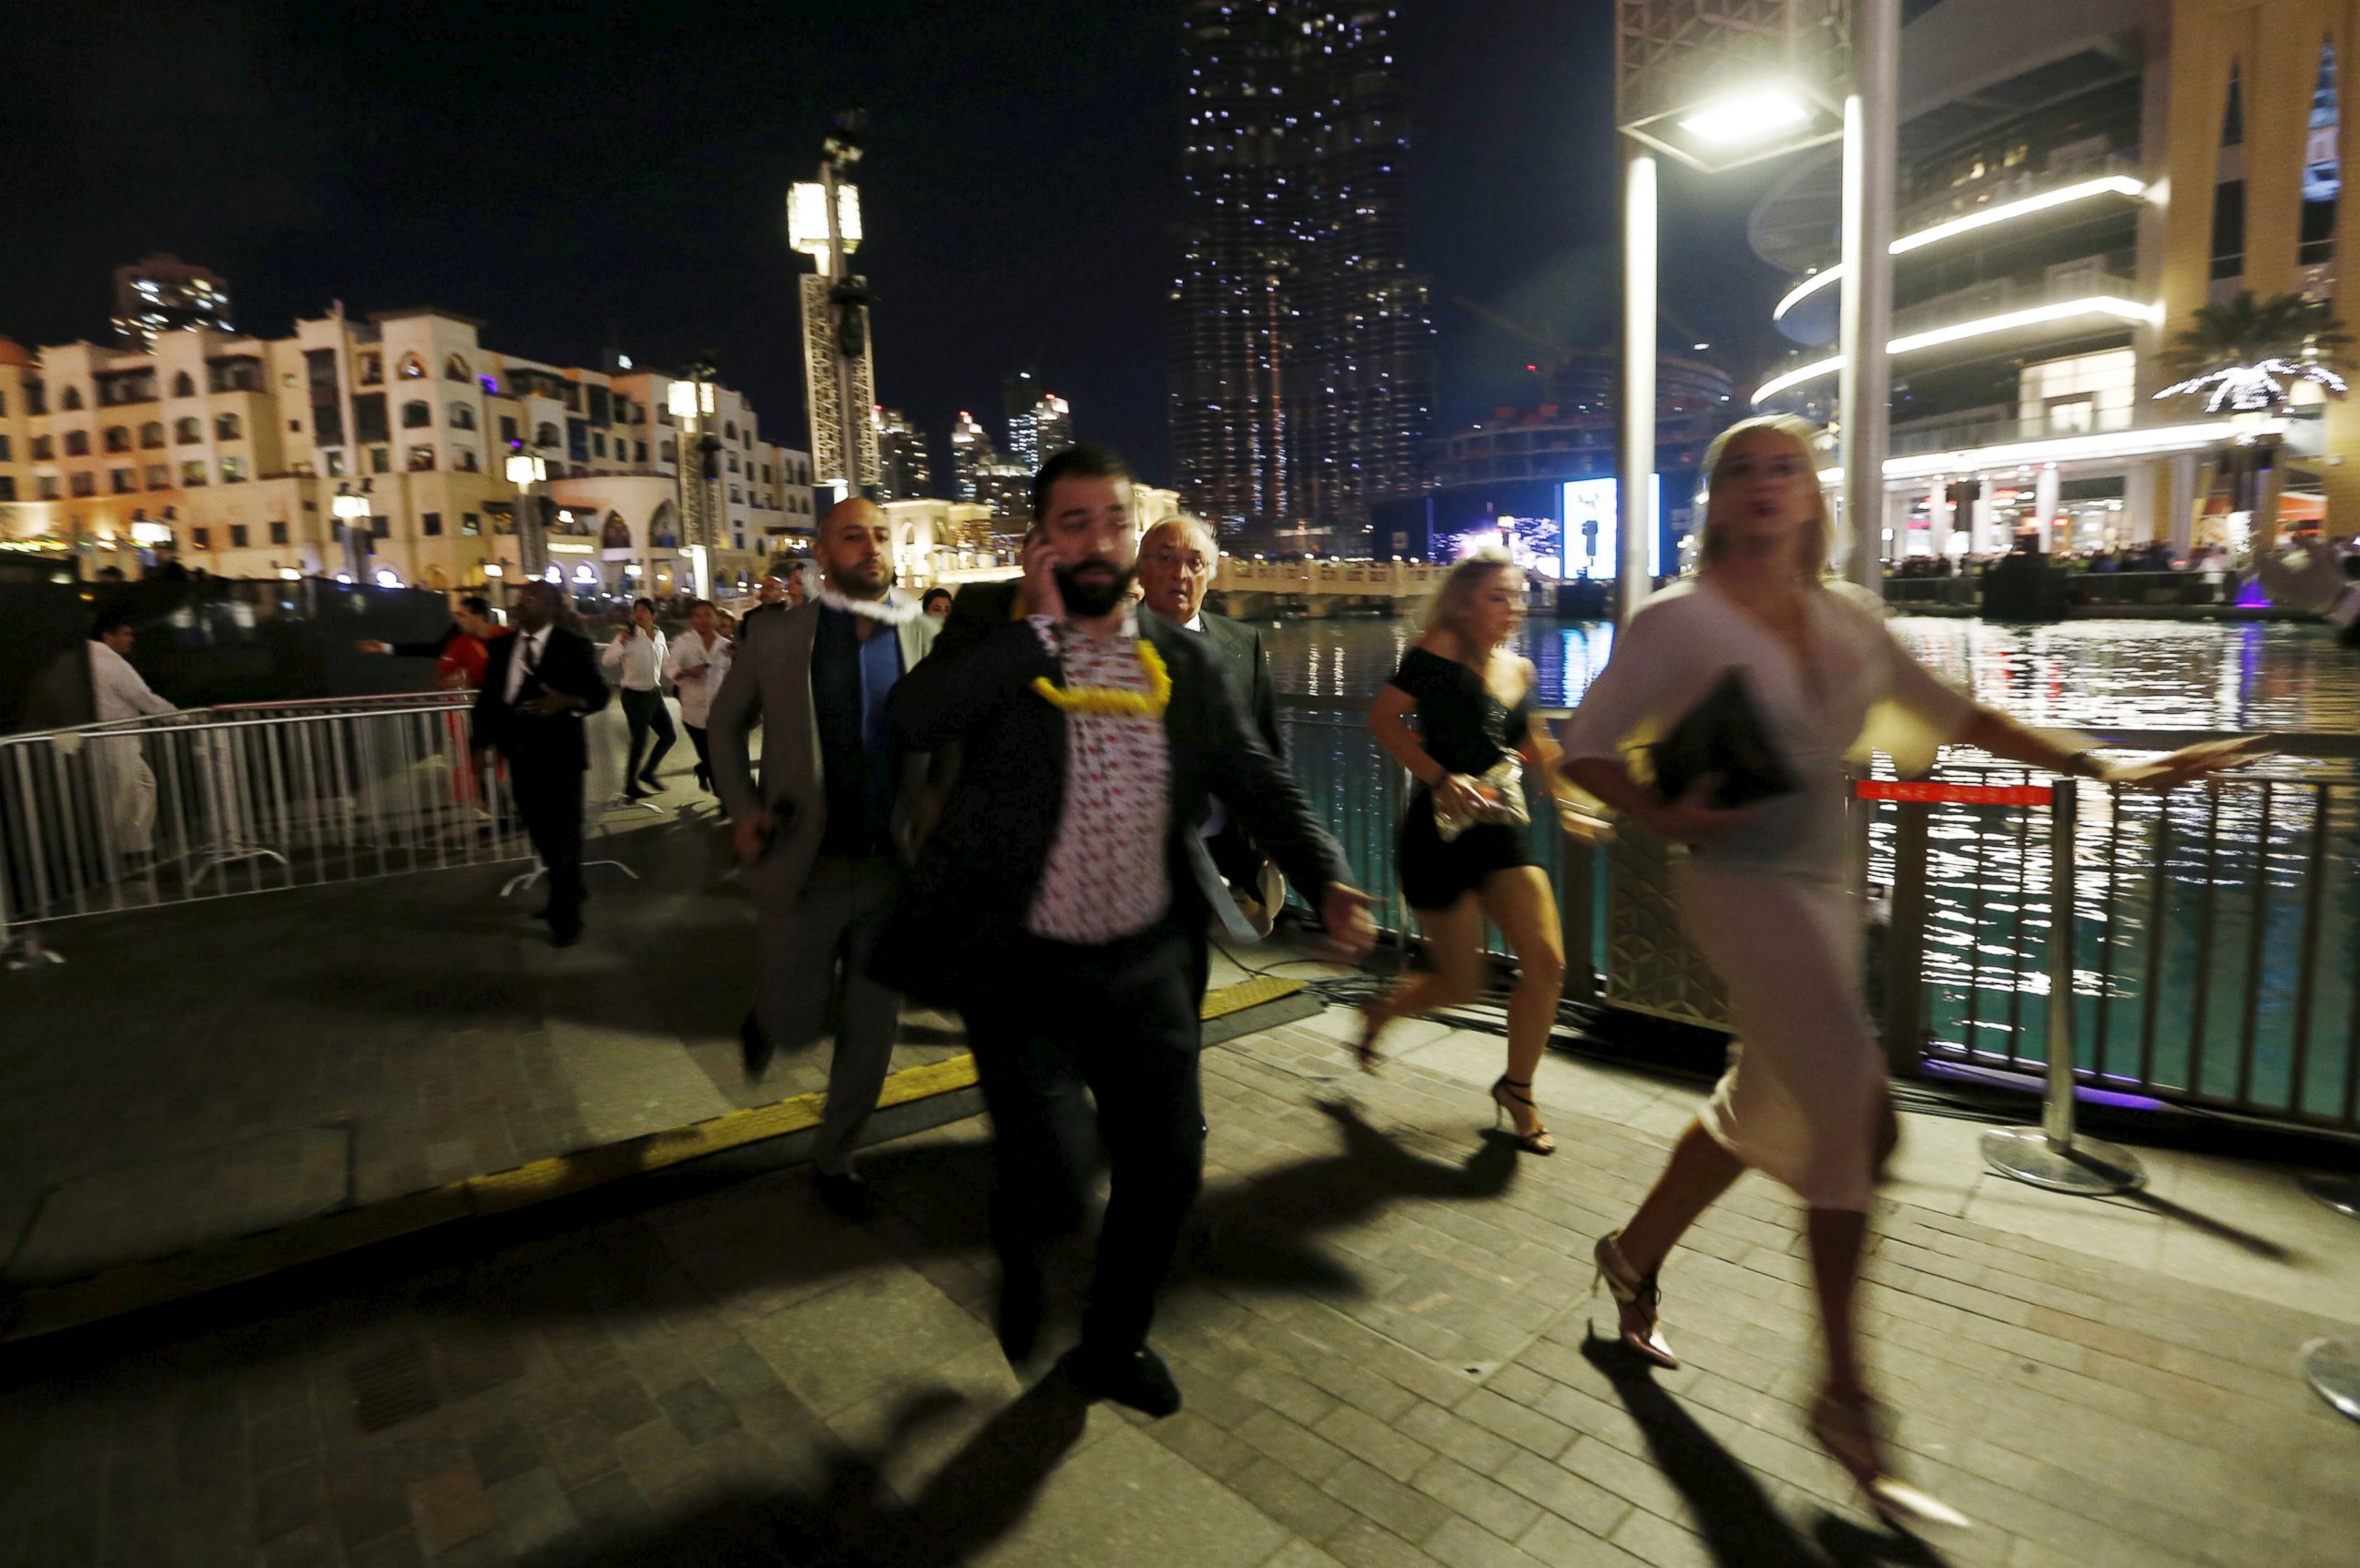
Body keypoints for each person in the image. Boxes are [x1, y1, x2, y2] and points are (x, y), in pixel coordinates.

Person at [1558, 413, 2256, 1526]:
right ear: (1719, 499)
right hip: (1737, 882)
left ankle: (1632, 1254)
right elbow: (1584, 742)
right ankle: (1844, 1397)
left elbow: (1957, 715)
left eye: (1786, 467)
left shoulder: (1851, 623)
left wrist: (2105, 763)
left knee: (1765, 1102)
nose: (1766, 483)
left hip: (1830, 886)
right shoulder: (1678, 623)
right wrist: (1658, 806)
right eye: (1743, 470)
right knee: (1856, 1117)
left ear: (1812, 492)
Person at [877, 444, 1376, 1419]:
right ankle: (1021, 1235)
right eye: (1075, 523)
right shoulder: (991, 621)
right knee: (1059, 1185)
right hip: (1022, 959)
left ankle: (1113, 1341)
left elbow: (1256, 775)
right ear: (1043, 538)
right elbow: (914, 719)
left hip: (1149, 956)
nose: (1098, 540)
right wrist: (1034, 636)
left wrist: (1330, 878)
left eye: (1112, 522)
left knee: (1168, 1165)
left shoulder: (1182, 655)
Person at [708, 499, 940, 1220]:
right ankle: (767, 1020)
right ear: (822, 551)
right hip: (804, 864)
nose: (871, 546)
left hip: (887, 869)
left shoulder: (924, 636)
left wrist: (937, 808)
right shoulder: (781, 638)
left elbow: (950, 742)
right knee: (795, 1014)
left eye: (879, 535)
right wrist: (745, 810)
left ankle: (836, 1158)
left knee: (872, 1030)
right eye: (853, 536)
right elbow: (723, 725)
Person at [1355, 551, 1568, 1156]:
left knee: (1548, 963)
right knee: (1461, 983)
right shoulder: (1439, 648)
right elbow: (1385, 720)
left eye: (1517, 597)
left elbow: (1534, 740)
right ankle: (1381, 1012)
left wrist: (1569, 798)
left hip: (1500, 828)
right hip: (1439, 834)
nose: (1513, 609)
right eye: (1499, 597)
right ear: (1465, 603)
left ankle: (1517, 1089)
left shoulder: (1519, 669)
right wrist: (1441, 777)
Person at [1136, 514, 1289, 936]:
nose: (1180, 574)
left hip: (1226, 845)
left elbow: (1267, 748)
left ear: (1212, 574)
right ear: (1141, 570)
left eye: (1195, 563)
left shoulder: (1243, 643)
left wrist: (1274, 839)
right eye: (1165, 559)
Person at [472, 582, 610, 945]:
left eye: (531, 597)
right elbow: (489, 700)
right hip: (519, 756)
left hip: (561, 757)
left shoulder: (572, 646)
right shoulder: (502, 647)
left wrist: (567, 701)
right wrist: (478, 744)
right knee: (540, 833)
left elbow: (599, 694)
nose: (521, 601)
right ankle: (570, 888)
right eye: (520, 596)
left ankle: (566, 916)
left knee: (564, 835)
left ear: (551, 608)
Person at [86, 607, 177, 858]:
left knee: (135, 789)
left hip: (101, 737)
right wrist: (181, 717)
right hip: (118, 738)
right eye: (126, 634)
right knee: (128, 793)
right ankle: (130, 848)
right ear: (108, 636)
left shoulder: (85, 657)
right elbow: (143, 698)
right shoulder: (112, 663)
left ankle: (134, 844)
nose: (131, 639)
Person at [603, 597, 675, 799]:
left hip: (654, 694)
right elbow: (607, 660)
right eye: (636, 610)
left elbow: (667, 663)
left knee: (669, 736)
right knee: (639, 742)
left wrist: (681, 676)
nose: (639, 614)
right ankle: (630, 785)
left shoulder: (659, 635)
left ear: (654, 615)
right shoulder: (628, 636)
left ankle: (648, 772)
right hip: (634, 696)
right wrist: (622, 642)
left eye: (644, 610)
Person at [358, 596, 502, 692]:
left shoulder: (503, 636)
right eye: (456, 615)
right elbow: (434, 650)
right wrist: (386, 647)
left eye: (462, 615)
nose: (458, 620)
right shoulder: (458, 636)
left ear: (479, 617)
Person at [664, 599, 732, 794]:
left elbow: (730, 675)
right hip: (693, 714)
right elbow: (670, 667)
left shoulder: (725, 645)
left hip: (720, 712)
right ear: (691, 620)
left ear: (716, 618)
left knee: (719, 757)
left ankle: (721, 793)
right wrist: (686, 672)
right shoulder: (683, 642)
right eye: (697, 616)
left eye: (707, 615)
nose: (702, 620)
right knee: (710, 756)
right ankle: (715, 783)